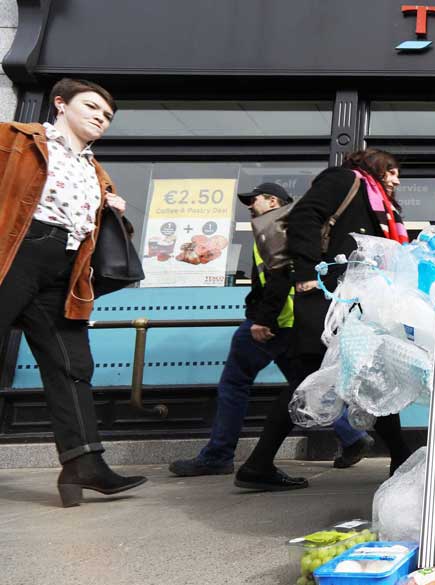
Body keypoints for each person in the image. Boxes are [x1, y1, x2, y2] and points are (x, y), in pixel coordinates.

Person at [0, 78, 147, 507]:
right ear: (60, 104)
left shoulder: (96, 171)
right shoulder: (16, 138)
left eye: (108, 115)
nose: (101, 117)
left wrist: (115, 211)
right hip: (15, 253)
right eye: (92, 107)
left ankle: (84, 465)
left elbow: (94, 234)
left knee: (72, 365)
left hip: (66, 270)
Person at [234, 149, 414, 490]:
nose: (396, 179)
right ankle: (400, 458)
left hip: (355, 302)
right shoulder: (344, 180)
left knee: (366, 374)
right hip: (328, 300)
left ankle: (258, 464)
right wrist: (307, 276)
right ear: (372, 166)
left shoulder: (379, 204)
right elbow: (304, 217)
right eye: (390, 171)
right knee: (330, 377)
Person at [168, 183, 374, 477]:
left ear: (272, 200)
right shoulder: (290, 224)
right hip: (289, 321)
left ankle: (219, 455)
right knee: (302, 385)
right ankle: (351, 436)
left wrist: (264, 319)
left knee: (234, 383)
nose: (250, 206)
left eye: (254, 200)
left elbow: (280, 276)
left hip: (277, 320)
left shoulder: (276, 226)